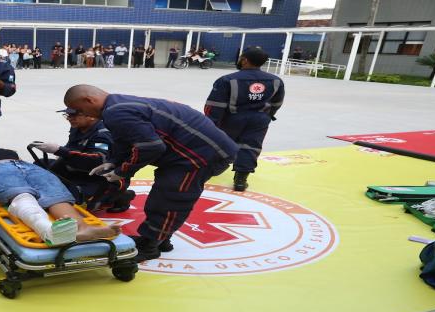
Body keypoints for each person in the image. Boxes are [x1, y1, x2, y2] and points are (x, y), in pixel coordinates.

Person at [63, 84, 237, 262]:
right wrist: (113, 163)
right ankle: (158, 239)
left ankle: (151, 245)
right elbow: (124, 141)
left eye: (78, 109)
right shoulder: (116, 107)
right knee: (163, 195)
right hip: (191, 152)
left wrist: (123, 171)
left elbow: (151, 147)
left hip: (201, 155)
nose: (80, 114)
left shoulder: (115, 112)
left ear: (89, 100)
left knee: (171, 196)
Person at [0, 148, 121, 245]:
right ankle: (48, 231)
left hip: (27, 166)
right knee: (20, 194)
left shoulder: (3, 150)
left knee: (55, 196)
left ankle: (83, 228)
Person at [204, 47, 285, 192]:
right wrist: (267, 115)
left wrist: (211, 124)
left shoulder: (227, 80)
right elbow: (277, 103)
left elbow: (214, 105)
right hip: (260, 119)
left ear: (245, 60)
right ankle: (241, 180)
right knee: (251, 146)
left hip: (232, 118)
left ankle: (212, 170)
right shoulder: (276, 81)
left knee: (222, 143)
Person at [31, 108, 135, 213]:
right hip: (77, 168)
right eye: (67, 115)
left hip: (99, 175)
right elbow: (72, 148)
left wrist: (60, 151)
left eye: (73, 115)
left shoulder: (103, 134)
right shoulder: (78, 127)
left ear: (91, 116)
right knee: (39, 166)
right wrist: (62, 152)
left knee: (77, 205)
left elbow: (97, 161)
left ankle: (120, 196)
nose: (69, 118)